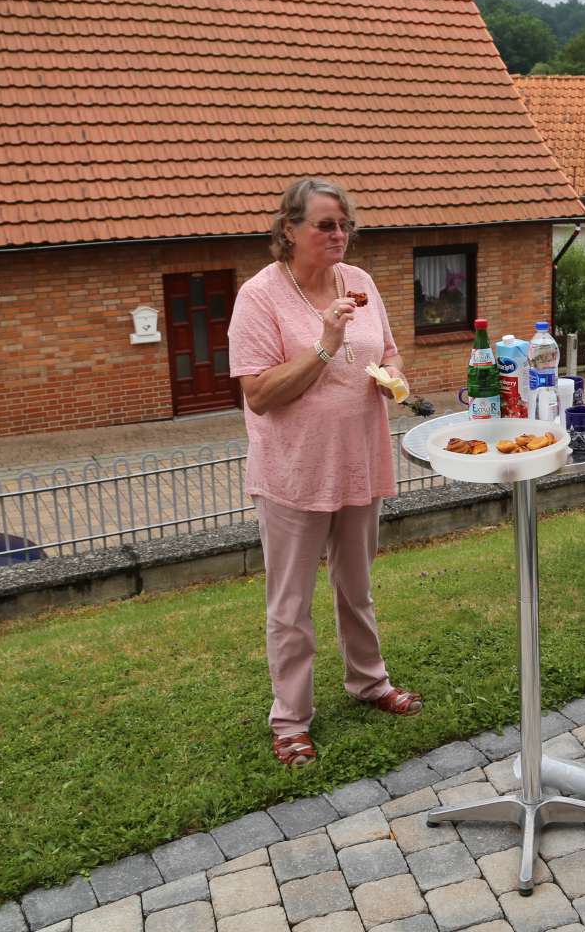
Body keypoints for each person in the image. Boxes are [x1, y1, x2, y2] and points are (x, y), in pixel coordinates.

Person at [227, 178, 423, 768]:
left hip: (359, 460)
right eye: (325, 225)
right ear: (289, 230)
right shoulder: (259, 298)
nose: (339, 235)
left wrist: (393, 377)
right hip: (293, 472)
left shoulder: (359, 282)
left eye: (345, 225)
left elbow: (388, 351)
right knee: (289, 606)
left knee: (356, 587)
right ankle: (290, 721)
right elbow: (259, 394)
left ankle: (369, 681)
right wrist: (324, 343)